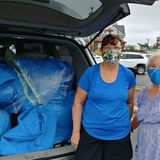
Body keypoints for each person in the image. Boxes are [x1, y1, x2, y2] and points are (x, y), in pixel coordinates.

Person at [71, 34, 136, 160]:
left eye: (116, 47)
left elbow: (130, 103)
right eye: (107, 47)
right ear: (101, 51)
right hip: (91, 133)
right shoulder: (90, 73)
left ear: (122, 49)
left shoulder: (128, 75)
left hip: (119, 136)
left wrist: (125, 125)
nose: (111, 51)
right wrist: (75, 132)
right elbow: (78, 102)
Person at [131, 53, 160, 160]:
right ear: (147, 69)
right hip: (144, 144)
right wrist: (128, 128)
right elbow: (140, 116)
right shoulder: (143, 91)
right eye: (153, 66)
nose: (156, 70)